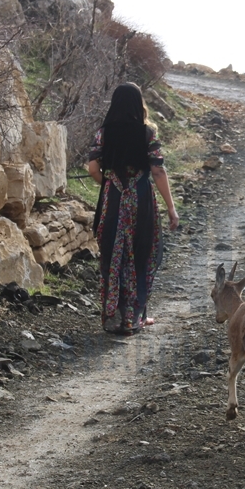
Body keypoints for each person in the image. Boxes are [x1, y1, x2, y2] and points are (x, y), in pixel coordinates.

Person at [87, 83, 179, 334]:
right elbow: (158, 170)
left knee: (111, 253)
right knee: (142, 253)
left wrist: (111, 186)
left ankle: (112, 318)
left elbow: (93, 169)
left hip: (112, 200)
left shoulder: (103, 133)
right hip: (141, 199)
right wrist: (171, 208)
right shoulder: (147, 133)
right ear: (139, 104)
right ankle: (134, 318)